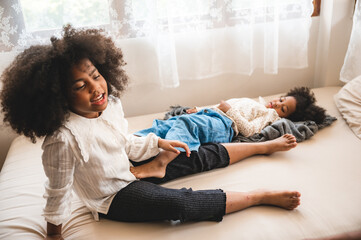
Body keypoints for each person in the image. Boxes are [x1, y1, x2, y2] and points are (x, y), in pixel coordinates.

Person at [0, 25, 301, 240]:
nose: (96, 89)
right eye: (80, 86)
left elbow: (124, 142)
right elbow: (58, 190)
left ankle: (262, 147)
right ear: (58, 97)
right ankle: (258, 196)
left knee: (194, 154)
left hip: (130, 168)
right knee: (180, 204)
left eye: (96, 76)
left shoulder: (111, 105)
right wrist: (54, 235)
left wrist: (158, 142)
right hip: (112, 196)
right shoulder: (64, 139)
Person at [131, 87, 325, 178]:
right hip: (211, 115)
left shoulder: (270, 116)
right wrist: (199, 109)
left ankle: (161, 162)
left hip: (224, 126)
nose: (277, 104)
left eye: (283, 108)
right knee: (165, 125)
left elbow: (249, 130)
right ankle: (132, 144)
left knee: (186, 125)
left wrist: (228, 110)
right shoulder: (256, 102)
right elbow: (219, 107)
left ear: (285, 117)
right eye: (282, 100)